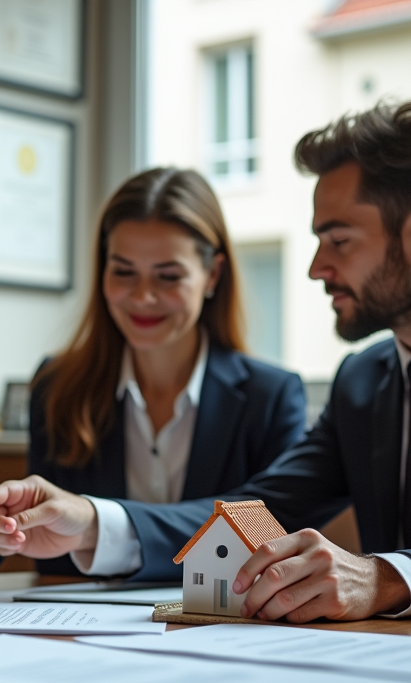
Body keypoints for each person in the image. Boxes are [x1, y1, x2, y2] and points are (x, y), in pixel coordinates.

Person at [0, 100, 411, 621]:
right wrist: (94, 521)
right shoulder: (365, 381)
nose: (317, 267)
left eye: (337, 239)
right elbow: (262, 512)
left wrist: (385, 576)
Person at [22, 168, 305, 578]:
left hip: (224, 626)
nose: (142, 297)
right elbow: (51, 555)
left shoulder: (271, 396)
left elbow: (271, 536)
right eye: (123, 272)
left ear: (212, 275)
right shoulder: (57, 387)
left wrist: (104, 526)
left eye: (168, 276)